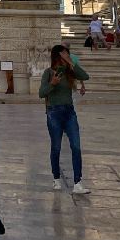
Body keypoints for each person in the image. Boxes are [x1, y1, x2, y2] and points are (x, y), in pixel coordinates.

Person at [39, 45, 90, 194]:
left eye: (68, 54)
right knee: (56, 147)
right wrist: (52, 84)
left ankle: (78, 182)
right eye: (64, 54)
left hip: (69, 112)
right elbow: (41, 93)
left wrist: (71, 63)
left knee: (76, 146)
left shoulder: (69, 72)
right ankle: (56, 178)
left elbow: (85, 76)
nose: (66, 56)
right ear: (57, 56)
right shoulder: (48, 73)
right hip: (54, 112)